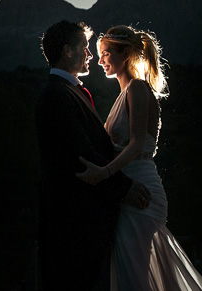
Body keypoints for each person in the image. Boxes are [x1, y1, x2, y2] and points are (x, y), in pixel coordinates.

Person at [77, 25, 202, 291]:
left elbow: (137, 145)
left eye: (106, 53)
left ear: (126, 53)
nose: (101, 60)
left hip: (141, 192)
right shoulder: (124, 93)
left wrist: (104, 173)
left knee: (133, 278)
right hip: (127, 192)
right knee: (132, 275)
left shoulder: (137, 89)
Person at [36, 20, 152, 290]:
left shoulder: (71, 92)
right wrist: (125, 187)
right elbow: (81, 155)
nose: (90, 55)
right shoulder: (56, 94)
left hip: (88, 223)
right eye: (85, 48)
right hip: (73, 227)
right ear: (68, 51)